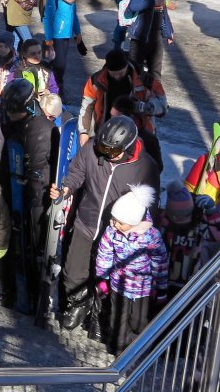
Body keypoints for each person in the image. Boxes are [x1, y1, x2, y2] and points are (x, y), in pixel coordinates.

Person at [52, 114, 161, 330]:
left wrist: (139, 229)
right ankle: (78, 303)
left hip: (117, 232)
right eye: (103, 149)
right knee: (73, 270)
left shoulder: (145, 166)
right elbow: (76, 172)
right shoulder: (94, 149)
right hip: (87, 219)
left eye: (112, 151)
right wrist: (66, 187)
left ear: (128, 147)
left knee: (106, 275)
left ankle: (98, 315)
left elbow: (150, 205)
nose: (106, 154)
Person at [0, 79, 55, 315]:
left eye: (15, 111)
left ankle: (33, 292)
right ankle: (5, 287)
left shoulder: (41, 128)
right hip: (2, 183)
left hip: (29, 192)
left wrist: (34, 194)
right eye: (8, 110)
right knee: (1, 237)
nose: (10, 114)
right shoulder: (2, 116)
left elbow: (43, 167)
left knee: (30, 243)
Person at [94, 185, 167, 354]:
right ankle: (118, 350)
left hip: (143, 287)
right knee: (117, 319)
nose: (115, 224)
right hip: (118, 284)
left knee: (139, 321)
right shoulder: (111, 232)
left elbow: (160, 261)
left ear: (134, 221)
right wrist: (102, 279)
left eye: (120, 222)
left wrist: (161, 286)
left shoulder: (151, 236)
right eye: (114, 219)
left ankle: (137, 347)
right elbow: (104, 255)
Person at [122, 0, 173, 80]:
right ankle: (134, 93)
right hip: (139, 39)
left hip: (156, 38)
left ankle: (155, 93)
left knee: (155, 70)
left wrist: (169, 32)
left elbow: (164, 14)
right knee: (135, 69)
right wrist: (153, 2)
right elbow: (133, 7)